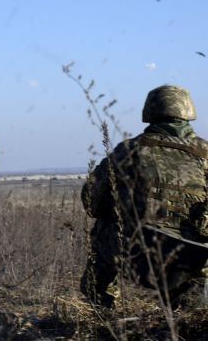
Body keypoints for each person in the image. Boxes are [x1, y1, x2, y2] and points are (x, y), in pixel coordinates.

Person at [80, 85, 208, 308]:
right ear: (188, 111)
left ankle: (102, 302)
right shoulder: (206, 153)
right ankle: (188, 310)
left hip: (135, 254)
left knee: (104, 224)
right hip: (188, 260)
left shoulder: (128, 150)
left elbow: (91, 201)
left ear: (149, 111)